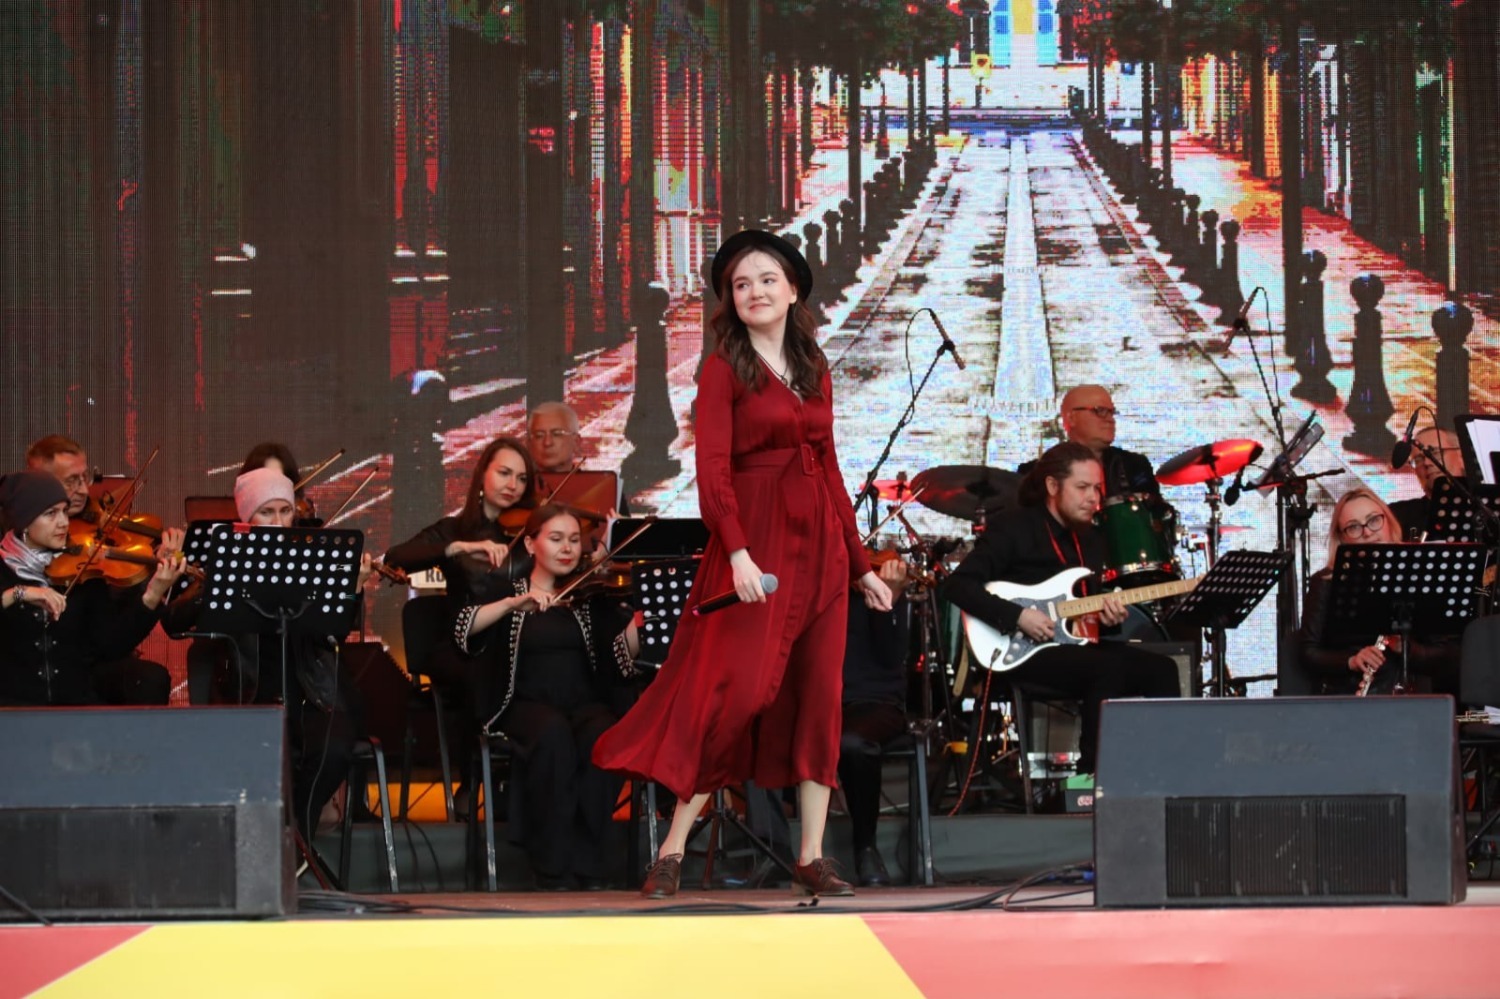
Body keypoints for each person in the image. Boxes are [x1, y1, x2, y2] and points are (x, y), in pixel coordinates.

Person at [592, 229, 893, 899]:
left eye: (766, 278)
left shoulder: (813, 366)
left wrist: (860, 565)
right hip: (756, 549)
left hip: (820, 551)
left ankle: (811, 855)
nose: (754, 291)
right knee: (737, 697)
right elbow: (712, 471)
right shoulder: (723, 368)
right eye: (740, 283)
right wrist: (736, 552)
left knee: (819, 699)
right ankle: (673, 847)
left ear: (793, 289)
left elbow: (830, 468)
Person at [941, 443, 1181, 778]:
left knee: (1163, 669)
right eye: (1082, 487)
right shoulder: (1013, 527)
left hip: (1071, 649)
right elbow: (957, 585)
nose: (1093, 498)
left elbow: (1082, 623)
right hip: (1019, 652)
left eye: (1097, 488)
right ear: (1053, 486)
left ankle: (1165, 774)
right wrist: (1018, 617)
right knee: (1106, 668)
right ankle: (1092, 777)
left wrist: (1107, 620)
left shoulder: (1092, 539)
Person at [166, 467, 373, 836]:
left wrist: (351, 590)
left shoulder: (312, 558)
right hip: (249, 695)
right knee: (262, 758)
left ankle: (293, 840)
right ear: (248, 517)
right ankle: (282, 847)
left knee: (335, 748)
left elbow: (334, 632)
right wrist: (216, 578)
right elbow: (174, 622)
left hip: (309, 691)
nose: (279, 522)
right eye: (267, 512)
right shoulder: (226, 560)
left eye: (285, 511)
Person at [454, 504, 641, 890]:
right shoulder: (506, 589)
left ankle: (588, 862)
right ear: (530, 544)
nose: (567, 548)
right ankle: (551, 865)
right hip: (523, 704)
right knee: (553, 736)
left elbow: (619, 659)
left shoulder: (590, 597)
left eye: (574, 540)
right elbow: (463, 630)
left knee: (604, 736)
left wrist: (639, 624)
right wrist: (511, 605)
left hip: (582, 704)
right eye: (556, 539)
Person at [0, 471, 183, 706]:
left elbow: (111, 647)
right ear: (23, 521)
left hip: (76, 709)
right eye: (50, 514)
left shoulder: (83, 571)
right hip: (11, 710)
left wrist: (153, 593)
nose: (63, 522)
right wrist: (18, 594)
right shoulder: (4, 570)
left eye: (64, 511)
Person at [384, 435, 539, 690]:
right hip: (467, 646)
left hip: (520, 643)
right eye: (504, 473)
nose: (513, 485)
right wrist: (457, 548)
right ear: (482, 475)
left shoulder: (531, 532)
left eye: (522, 478)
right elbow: (395, 557)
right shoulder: (453, 530)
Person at [1298, 488, 1461, 697]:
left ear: (1388, 522)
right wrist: (1351, 661)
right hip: (1347, 697)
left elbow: (1446, 655)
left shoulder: (1418, 574)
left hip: (1413, 698)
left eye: (1374, 520)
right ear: (1342, 538)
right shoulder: (1326, 582)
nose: (1367, 532)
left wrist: (1405, 648)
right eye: (1353, 527)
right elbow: (1308, 652)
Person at [838, 555, 914, 887]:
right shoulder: (817, 585)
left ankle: (865, 847)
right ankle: (772, 845)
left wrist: (888, 601)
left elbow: (890, 659)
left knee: (853, 743)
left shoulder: (882, 590)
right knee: (754, 726)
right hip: (817, 701)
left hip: (874, 702)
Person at [1020, 385, 1160, 499]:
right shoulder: (1035, 474)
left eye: (1111, 412)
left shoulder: (1135, 466)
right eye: (1100, 411)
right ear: (1071, 418)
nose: (1110, 419)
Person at [1388, 427, 1466, 540]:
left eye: (1435, 453)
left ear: (1461, 457)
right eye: (1418, 459)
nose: (1427, 463)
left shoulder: (1485, 509)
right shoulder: (1397, 516)